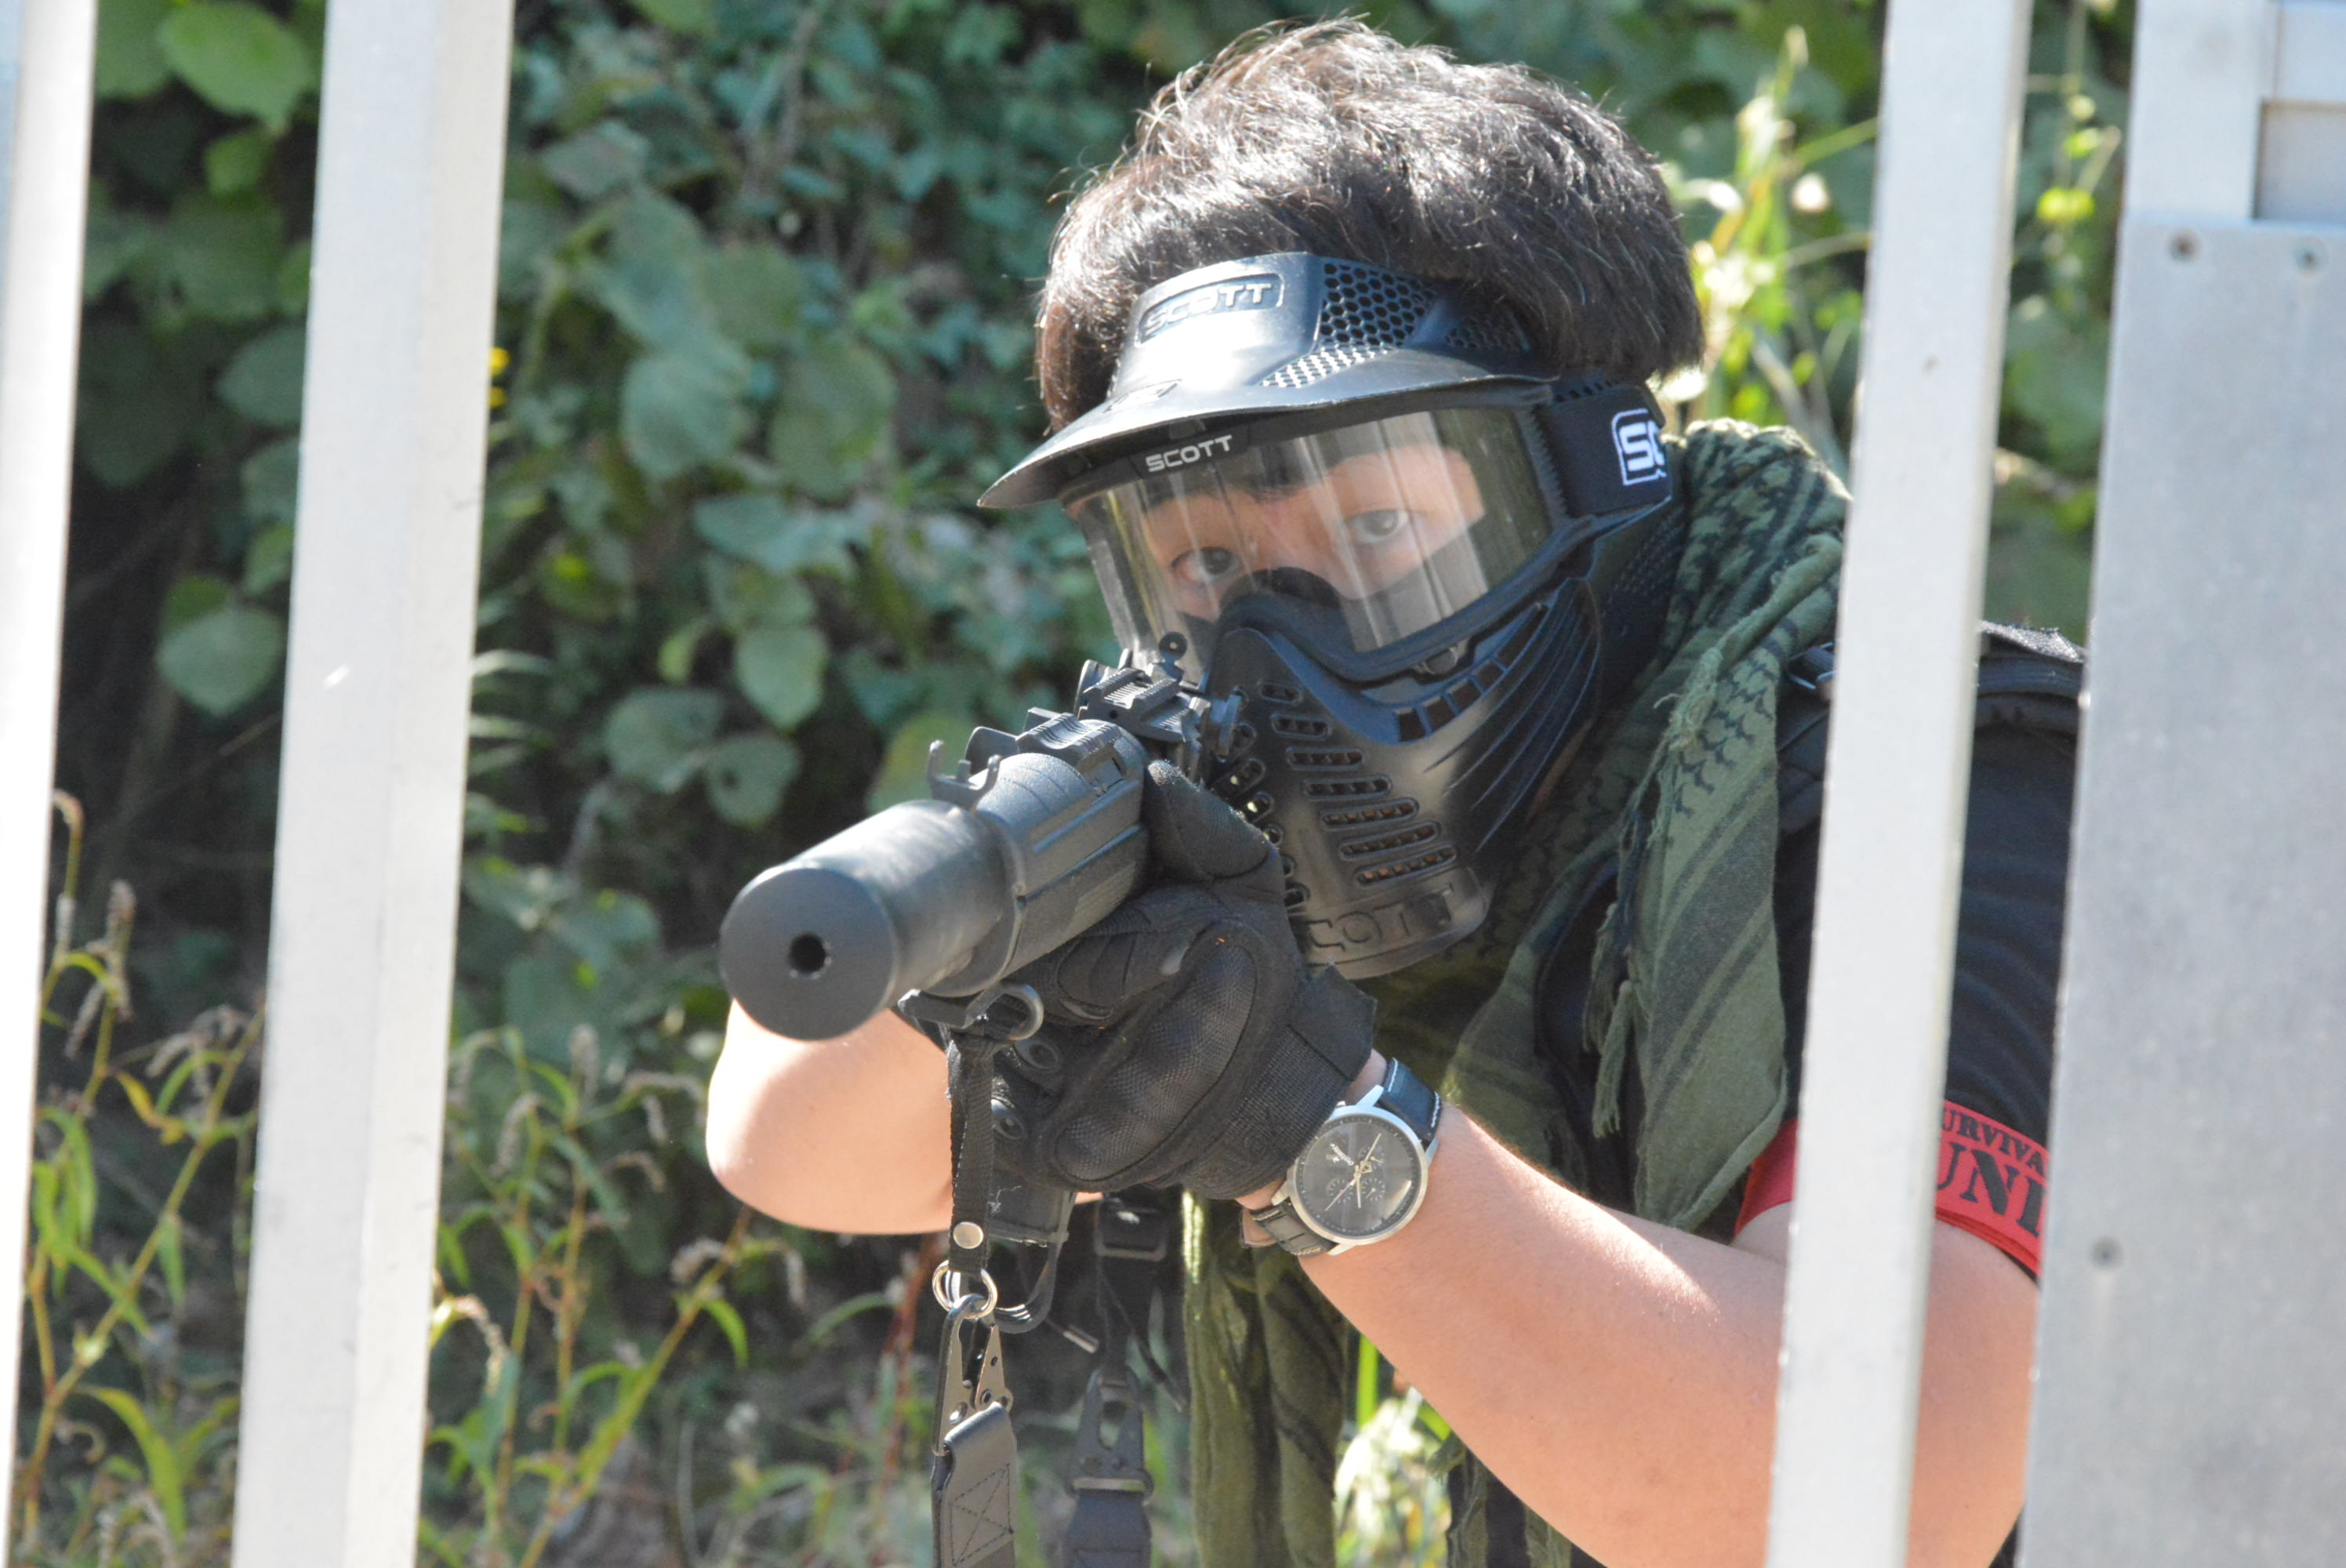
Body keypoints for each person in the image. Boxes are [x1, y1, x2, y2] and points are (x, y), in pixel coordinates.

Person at [707, 21, 2075, 1568]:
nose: (1277, 643)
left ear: (1595, 480)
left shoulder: (1940, 784)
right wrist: (1022, 882)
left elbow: (1875, 1506)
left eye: (1377, 530)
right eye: (1204, 562)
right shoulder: (1214, 797)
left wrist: (1315, 1129)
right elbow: (790, 1141)